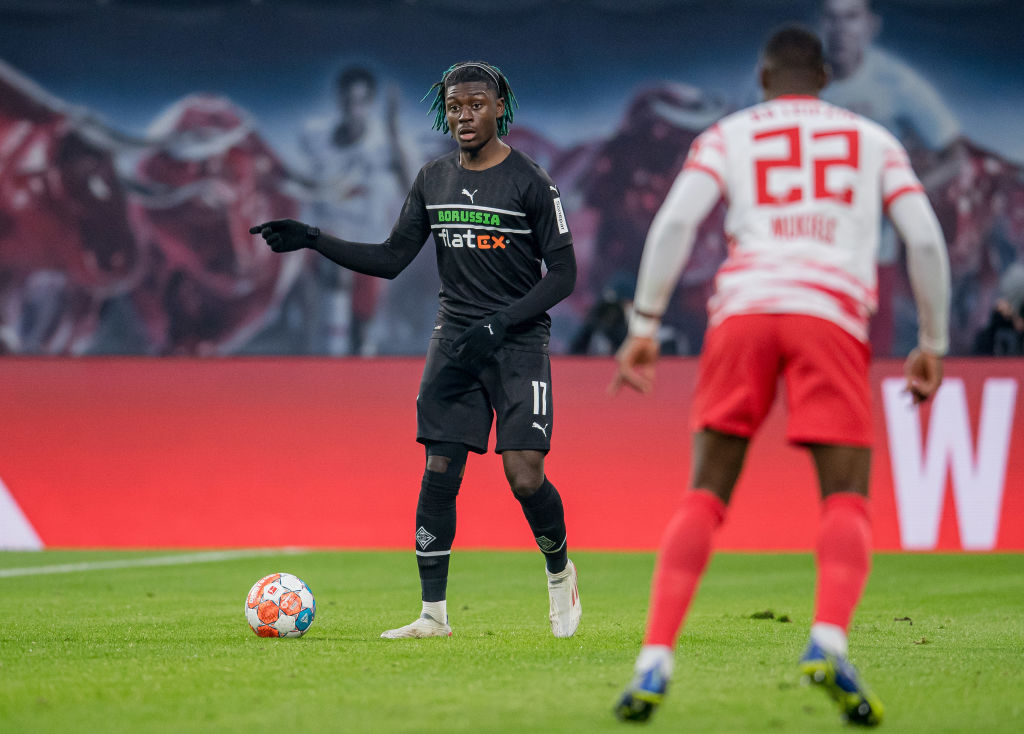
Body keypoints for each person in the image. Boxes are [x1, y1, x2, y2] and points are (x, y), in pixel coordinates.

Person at [610, 26, 950, 726]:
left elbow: (674, 225)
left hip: (745, 312)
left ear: (763, 78)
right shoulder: (874, 139)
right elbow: (921, 237)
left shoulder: (728, 134)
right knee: (845, 496)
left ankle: (655, 657)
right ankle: (827, 640)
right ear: (824, 77)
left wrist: (643, 325)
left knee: (706, 490)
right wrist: (934, 342)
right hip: (828, 316)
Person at [251, 61, 581, 639]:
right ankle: (433, 616)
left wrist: (501, 323)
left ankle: (560, 574)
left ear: (499, 106)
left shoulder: (532, 181)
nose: (464, 116)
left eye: (476, 105)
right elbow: (390, 258)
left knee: (525, 476)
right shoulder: (433, 177)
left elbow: (564, 273)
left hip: (518, 342)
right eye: (455, 107)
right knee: (439, 469)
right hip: (455, 339)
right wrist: (313, 238)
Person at [818, 0, 964, 355]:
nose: (841, 29)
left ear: (871, 25)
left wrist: (899, 198)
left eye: (851, 17)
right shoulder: (793, 78)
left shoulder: (897, 84)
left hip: (872, 250)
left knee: (869, 353)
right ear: (821, 24)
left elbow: (953, 154)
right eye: (833, 18)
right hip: (806, 249)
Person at [298, 66, 417, 355]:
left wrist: (392, 129)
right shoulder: (316, 137)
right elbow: (302, 185)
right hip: (327, 244)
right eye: (348, 101)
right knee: (327, 302)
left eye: (360, 101)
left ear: (370, 103)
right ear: (339, 100)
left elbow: (410, 187)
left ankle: (360, 362)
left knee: (362, 327)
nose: (353, 108)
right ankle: (324, 364)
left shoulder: (387, 142)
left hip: (369, 245)